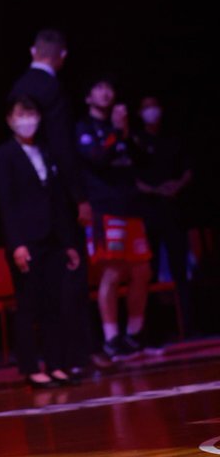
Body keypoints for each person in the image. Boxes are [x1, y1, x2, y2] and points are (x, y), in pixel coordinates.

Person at [8, 29, 100, 372]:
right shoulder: (52, 89)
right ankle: (75, 357)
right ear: (62, 57)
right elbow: (63, 146)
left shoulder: (19, 86)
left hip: (33, 205)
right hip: (56, 201)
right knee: (66, 280)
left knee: (48, 288)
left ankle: (63, 360)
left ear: (33, 51)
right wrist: (80, 197)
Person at [0, 96, 82, 387]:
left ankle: (56, 364)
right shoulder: (4, 155)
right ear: (9, 120)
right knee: (29, 304)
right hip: (26, 241)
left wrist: (68, 243)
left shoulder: (46, 149)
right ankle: (30, 367)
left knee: (55, 303)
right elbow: (6, 204)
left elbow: (57, 201)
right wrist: (17, 244)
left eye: (31, 113)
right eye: (21, 114)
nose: (27, 119)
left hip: (52, 238)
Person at [76, 77, 152, 358]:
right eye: (99, 88)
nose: (106, 93)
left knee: (142, 271)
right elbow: (97, 158)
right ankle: (111, 338)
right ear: (88, 97)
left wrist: (126, 133)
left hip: (133, 208)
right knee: (113, 271)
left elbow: (144, 161)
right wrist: (117, 133)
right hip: (105, 209)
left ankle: (134, 333)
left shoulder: (122, 126)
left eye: (109, 88)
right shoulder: (84, 129)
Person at [132, 95, 195, 339]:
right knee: (149, 271)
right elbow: (131, 178)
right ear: (139, 113)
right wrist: (155, 190)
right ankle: (153, 331)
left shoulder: (173, 139)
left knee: (181, 270)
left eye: (154, 106)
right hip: (149, 213)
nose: (152, 111)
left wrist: (177, 186)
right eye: (146, 107)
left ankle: (187, 326)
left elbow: (188, 170)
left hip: (175, 212)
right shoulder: (135, 141)